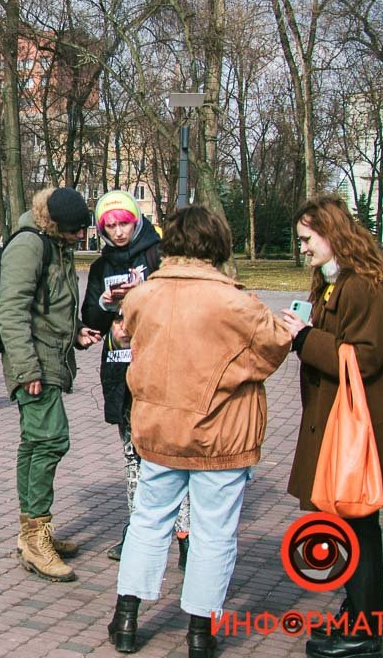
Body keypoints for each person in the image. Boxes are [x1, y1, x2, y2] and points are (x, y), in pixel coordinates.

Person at [106, 205, 290, 657]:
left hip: (158, 431)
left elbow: (123, 336)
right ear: (218, 244)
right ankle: (199, 633)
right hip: (220, 435)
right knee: (213, 533)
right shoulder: (237, 303)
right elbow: (272, 352)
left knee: (148, 523)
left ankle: (126, 619)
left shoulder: (143, 296)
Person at [279, 195, 383, 658]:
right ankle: (358, 614)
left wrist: (305, 338)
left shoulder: (360, 286)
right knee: (353, 526)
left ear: (332, 234)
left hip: (359, 431)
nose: (303, 248)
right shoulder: (338, 283)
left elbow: (364, 356)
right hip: (347, 425)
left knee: (358, 527)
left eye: (308, 239)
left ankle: (365, 630)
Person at [80, 191, 190, 565]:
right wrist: (106, 305)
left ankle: (186, 534)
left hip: (162, 368)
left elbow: (178, 305)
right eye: (109, 226)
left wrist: (141, 296)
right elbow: (91, 319)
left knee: (170, 454)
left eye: (123, 223)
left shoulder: (157, 254)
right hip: (120, 366)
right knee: (132, 455)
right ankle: (137, 532)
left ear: (136, 220)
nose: (117, 232)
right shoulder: (100, 266)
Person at [0, 188, 102, 582]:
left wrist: (75, 332)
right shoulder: (29, 245)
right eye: (76, 231)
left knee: (35, 441)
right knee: (52, 439)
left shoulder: (56, 244)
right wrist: (27, 370)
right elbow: (11, 310)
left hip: (52, 356)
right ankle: (36, 536)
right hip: (34, 362)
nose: (80, 237)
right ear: (55, 222)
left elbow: (52, 301)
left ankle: (31, 530)